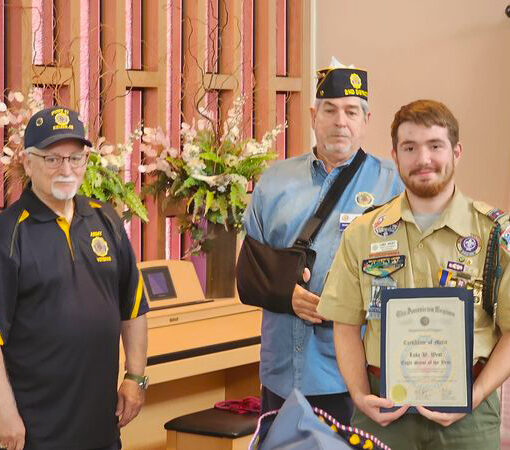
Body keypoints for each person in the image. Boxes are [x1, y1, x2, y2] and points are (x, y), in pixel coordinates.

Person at [318, 99, 510, 449]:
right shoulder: (363, 232)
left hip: (469, 415)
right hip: (384, 414)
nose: (423, 160)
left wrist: (476, 394)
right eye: (410, 147)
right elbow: (344, 324)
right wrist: (360, 396)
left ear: (456, 151)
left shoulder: (494, 234)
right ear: (395, 154)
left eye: (435, 146)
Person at [243, 58, 403, 423]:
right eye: (330, 110)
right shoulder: (274, 181)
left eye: (351, 111)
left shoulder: (393, 184)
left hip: (356, 379)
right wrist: (287, 294)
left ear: (366, 120)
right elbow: (250, 271)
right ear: (314, 115)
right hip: (280, 374)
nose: (340, 121)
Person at [0, 106, 149, 450]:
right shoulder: (9, 233)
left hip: (101, 425)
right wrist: (5, 415)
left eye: (75, 158)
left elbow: (134, 304)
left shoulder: (105, 218)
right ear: (27, 161)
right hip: (34, 430)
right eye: (52, 159)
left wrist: (136, 376)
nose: (66, 169)